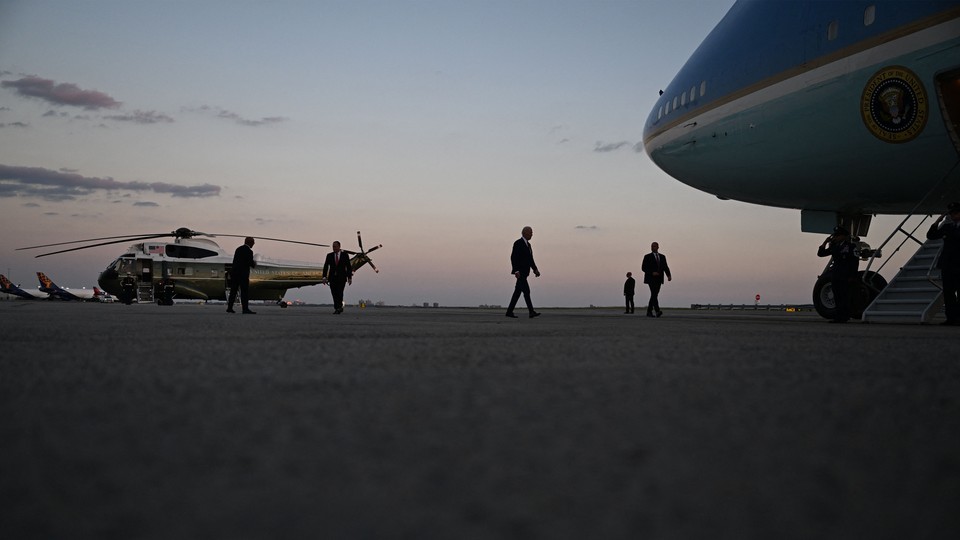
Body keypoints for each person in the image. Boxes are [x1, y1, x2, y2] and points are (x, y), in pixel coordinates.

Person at [927, 201, 960, 326]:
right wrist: (937, 222)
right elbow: (931, 236)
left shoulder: (951, 229)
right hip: (947, 265)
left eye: (956, 213)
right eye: (951, 214)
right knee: (948, 293)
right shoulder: (947, 227)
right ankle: (951, 318)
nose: (953, 216)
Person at [817, 225, 859, 323]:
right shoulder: (834, 247)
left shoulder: (850, 247)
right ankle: (839, 316)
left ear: (844, 236)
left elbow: (854, 262)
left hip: (846, 276)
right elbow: (821, 253)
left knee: (845, 296)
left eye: (838, 235)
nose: (835, 237)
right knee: (837, 296)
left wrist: (853, 276)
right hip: (836, 275)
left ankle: (845, 316)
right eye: (835, 236)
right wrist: (825, 242)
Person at [506, 226, 541, 319]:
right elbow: (513, 257)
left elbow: (530, 259)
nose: (532, 234)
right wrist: (516, 270)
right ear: (525, 233)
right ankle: (531, 311)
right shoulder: (518, 243)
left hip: (525, 272)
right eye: (530, 232)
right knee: (526, 291)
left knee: (517, 292)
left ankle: (509, 312)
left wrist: (535, 269)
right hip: (520, 273)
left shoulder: (528, 245)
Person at [227, 237, 257, 314]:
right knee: (244, 292)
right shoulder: (249, 251)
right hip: (243, 274)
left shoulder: (238, 249)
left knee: (233, 291)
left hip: (235, 273)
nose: (254, 244)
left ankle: (229, 307)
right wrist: (254, 263)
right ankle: (245, 309)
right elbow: (249, 263)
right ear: (250, 242)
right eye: (253, 242)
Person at [641, 242, 671, 317]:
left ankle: (649, 311)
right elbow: (643, 268)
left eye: (654, 246)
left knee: (654, 294)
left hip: (659, 278)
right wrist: (652, 272)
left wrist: (669, 275)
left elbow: (665, 267)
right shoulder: (647, 256)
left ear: (658, 247)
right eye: (652, 246)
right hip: (650, 278)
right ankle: (657, 311)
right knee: (654, 293)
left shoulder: (662, 257)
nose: (653, 247)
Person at [323, 241, 353, 314]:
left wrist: (349, 277)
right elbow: (326, 266)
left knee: (340, 292)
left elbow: (348, 267)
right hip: (332, 278)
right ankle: (337, 307)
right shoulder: (329, 255)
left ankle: (338, 307)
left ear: (339, 247)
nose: (334, 248)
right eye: (333, 246)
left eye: (335, 246)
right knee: (334, 293)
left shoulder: (345, 255)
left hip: (342, 278)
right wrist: (324, 277)